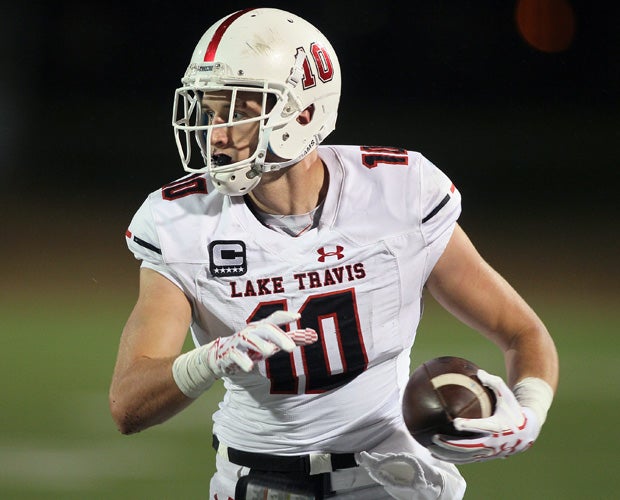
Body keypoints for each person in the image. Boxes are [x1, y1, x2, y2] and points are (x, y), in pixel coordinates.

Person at [109, 7, 559, 500]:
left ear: (303, 112)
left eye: (238, 111)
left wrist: (529, 412)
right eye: (211, 112)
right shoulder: (183, 222)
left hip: (394, 478)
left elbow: (521, 331)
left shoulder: (398, 193)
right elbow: (128, 404)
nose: (216, 134)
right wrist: (212, 358)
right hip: (258, 484)